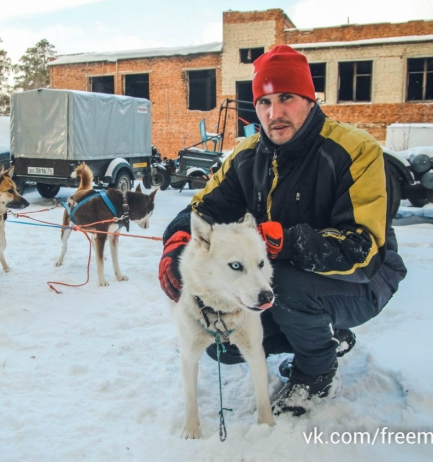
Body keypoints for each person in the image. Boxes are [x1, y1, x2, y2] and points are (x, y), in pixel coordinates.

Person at [158, 45, 407, 417]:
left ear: (309, 98)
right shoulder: (246, 157)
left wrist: (290, 241)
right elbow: (201, 210)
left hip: (366, 281)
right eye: (264, 102)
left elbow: (365, 248)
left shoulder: (354, 151)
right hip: (284, 280)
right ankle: (324, 336)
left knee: (286, 286)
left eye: (286, 98)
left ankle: (317, 373)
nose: (275, 113)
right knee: (220, 342)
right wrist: (178, 243)